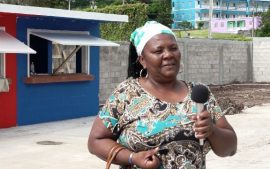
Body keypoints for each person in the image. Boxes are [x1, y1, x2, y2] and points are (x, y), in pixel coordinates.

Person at [88, 21, 237, 169]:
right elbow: (96, 141)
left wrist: (212, 130)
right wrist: (132, 158)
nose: (168, 55)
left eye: (173, 48)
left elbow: (230, 149)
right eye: (158, 51)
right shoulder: (126, 94)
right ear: (143, 60)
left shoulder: (199, 94)